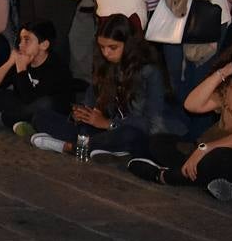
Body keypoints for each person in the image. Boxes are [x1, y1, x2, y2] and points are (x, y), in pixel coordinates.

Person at [129, 35, 232, 200]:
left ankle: (164, 175)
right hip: (222, 150)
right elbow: (192, 105)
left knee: (218, 158)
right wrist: (223, 72)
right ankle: (215, 181)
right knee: (159, 142)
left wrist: (204, 149)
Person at [30, 14, 184, 158]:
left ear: (128, 44)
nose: (106, 53)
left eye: (112, 47)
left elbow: (152, 124)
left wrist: (109, 124)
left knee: (129, 135)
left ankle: (73, 147)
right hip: (104, 129)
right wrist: (82, 114)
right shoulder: (105, 65)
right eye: (102, 47)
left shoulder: (149, 71)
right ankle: (93, 145)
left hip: (136, 131)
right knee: (41, 116)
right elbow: (92, 101)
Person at [0, 20, 71, 133]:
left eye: (27, 40)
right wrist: (10, 62)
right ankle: (19, 122)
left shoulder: (57, 67)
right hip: (20, 104)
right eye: (20, 39)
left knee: (45, 105)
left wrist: (21, 69)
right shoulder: (22, 58)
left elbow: (30, 99)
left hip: (39, 107)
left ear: (44, 45)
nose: (20, 44)